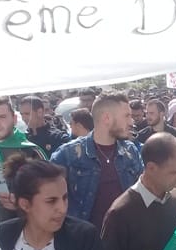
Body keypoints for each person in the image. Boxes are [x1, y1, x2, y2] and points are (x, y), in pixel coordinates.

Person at [51, 92, 143, 232]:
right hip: (83, 240)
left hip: (125, 238)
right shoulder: (68, 154)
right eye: (126, 116)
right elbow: (49, 198)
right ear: (106, 118)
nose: (131, 122)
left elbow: (142, 193)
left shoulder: (130, 152)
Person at [0, 97, 46, 222]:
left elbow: (49, 194)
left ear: (14, 119)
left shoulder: (31, 151)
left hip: (22, 225)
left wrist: (21, 204)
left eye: (2, 117)